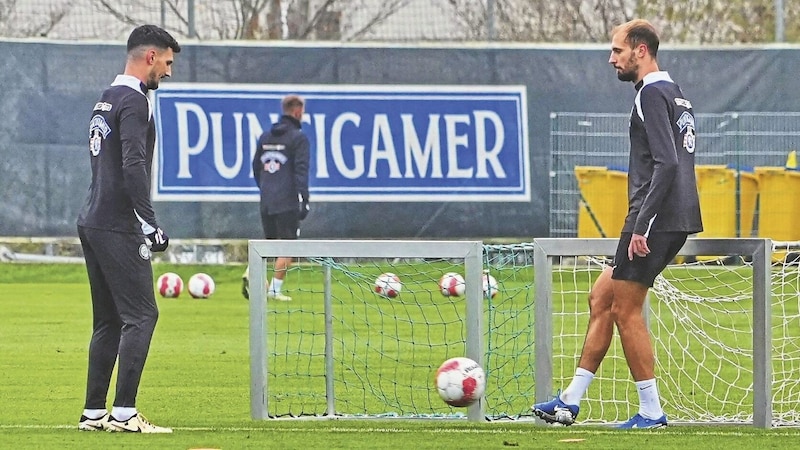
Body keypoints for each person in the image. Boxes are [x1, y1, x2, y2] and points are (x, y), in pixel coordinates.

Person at [532, 19, 703, 429]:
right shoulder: (674, 92)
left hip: (653, 219)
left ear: (640, 50)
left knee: (626, 311)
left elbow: (668, 163)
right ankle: (569, 400)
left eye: (617, 51)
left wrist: (642, 225)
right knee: (601, 297)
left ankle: (651, 411)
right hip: (661, 216)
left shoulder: (650, 93)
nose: (612, 59)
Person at [76, 24, 180, 433]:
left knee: (109, 321)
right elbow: (133, 164)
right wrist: (148, 222)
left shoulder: (107, 97)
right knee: (142, 315)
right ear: (150, 57)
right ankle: (123, 413)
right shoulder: (136, 101)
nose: (168, 73)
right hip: (118, 224)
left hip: (92, 218)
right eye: (168, 63)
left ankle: (93, 413)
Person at [242, 95, 311, 301]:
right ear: (298, 112)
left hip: (267, 199)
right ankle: (274, 289)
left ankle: (251, 273)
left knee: (269, 244)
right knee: (289, 245)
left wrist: (265, 188)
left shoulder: (265, 137)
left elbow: (256, 168)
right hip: (288, 199)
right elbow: (301, 171)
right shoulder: (299, 138)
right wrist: (304, 199)